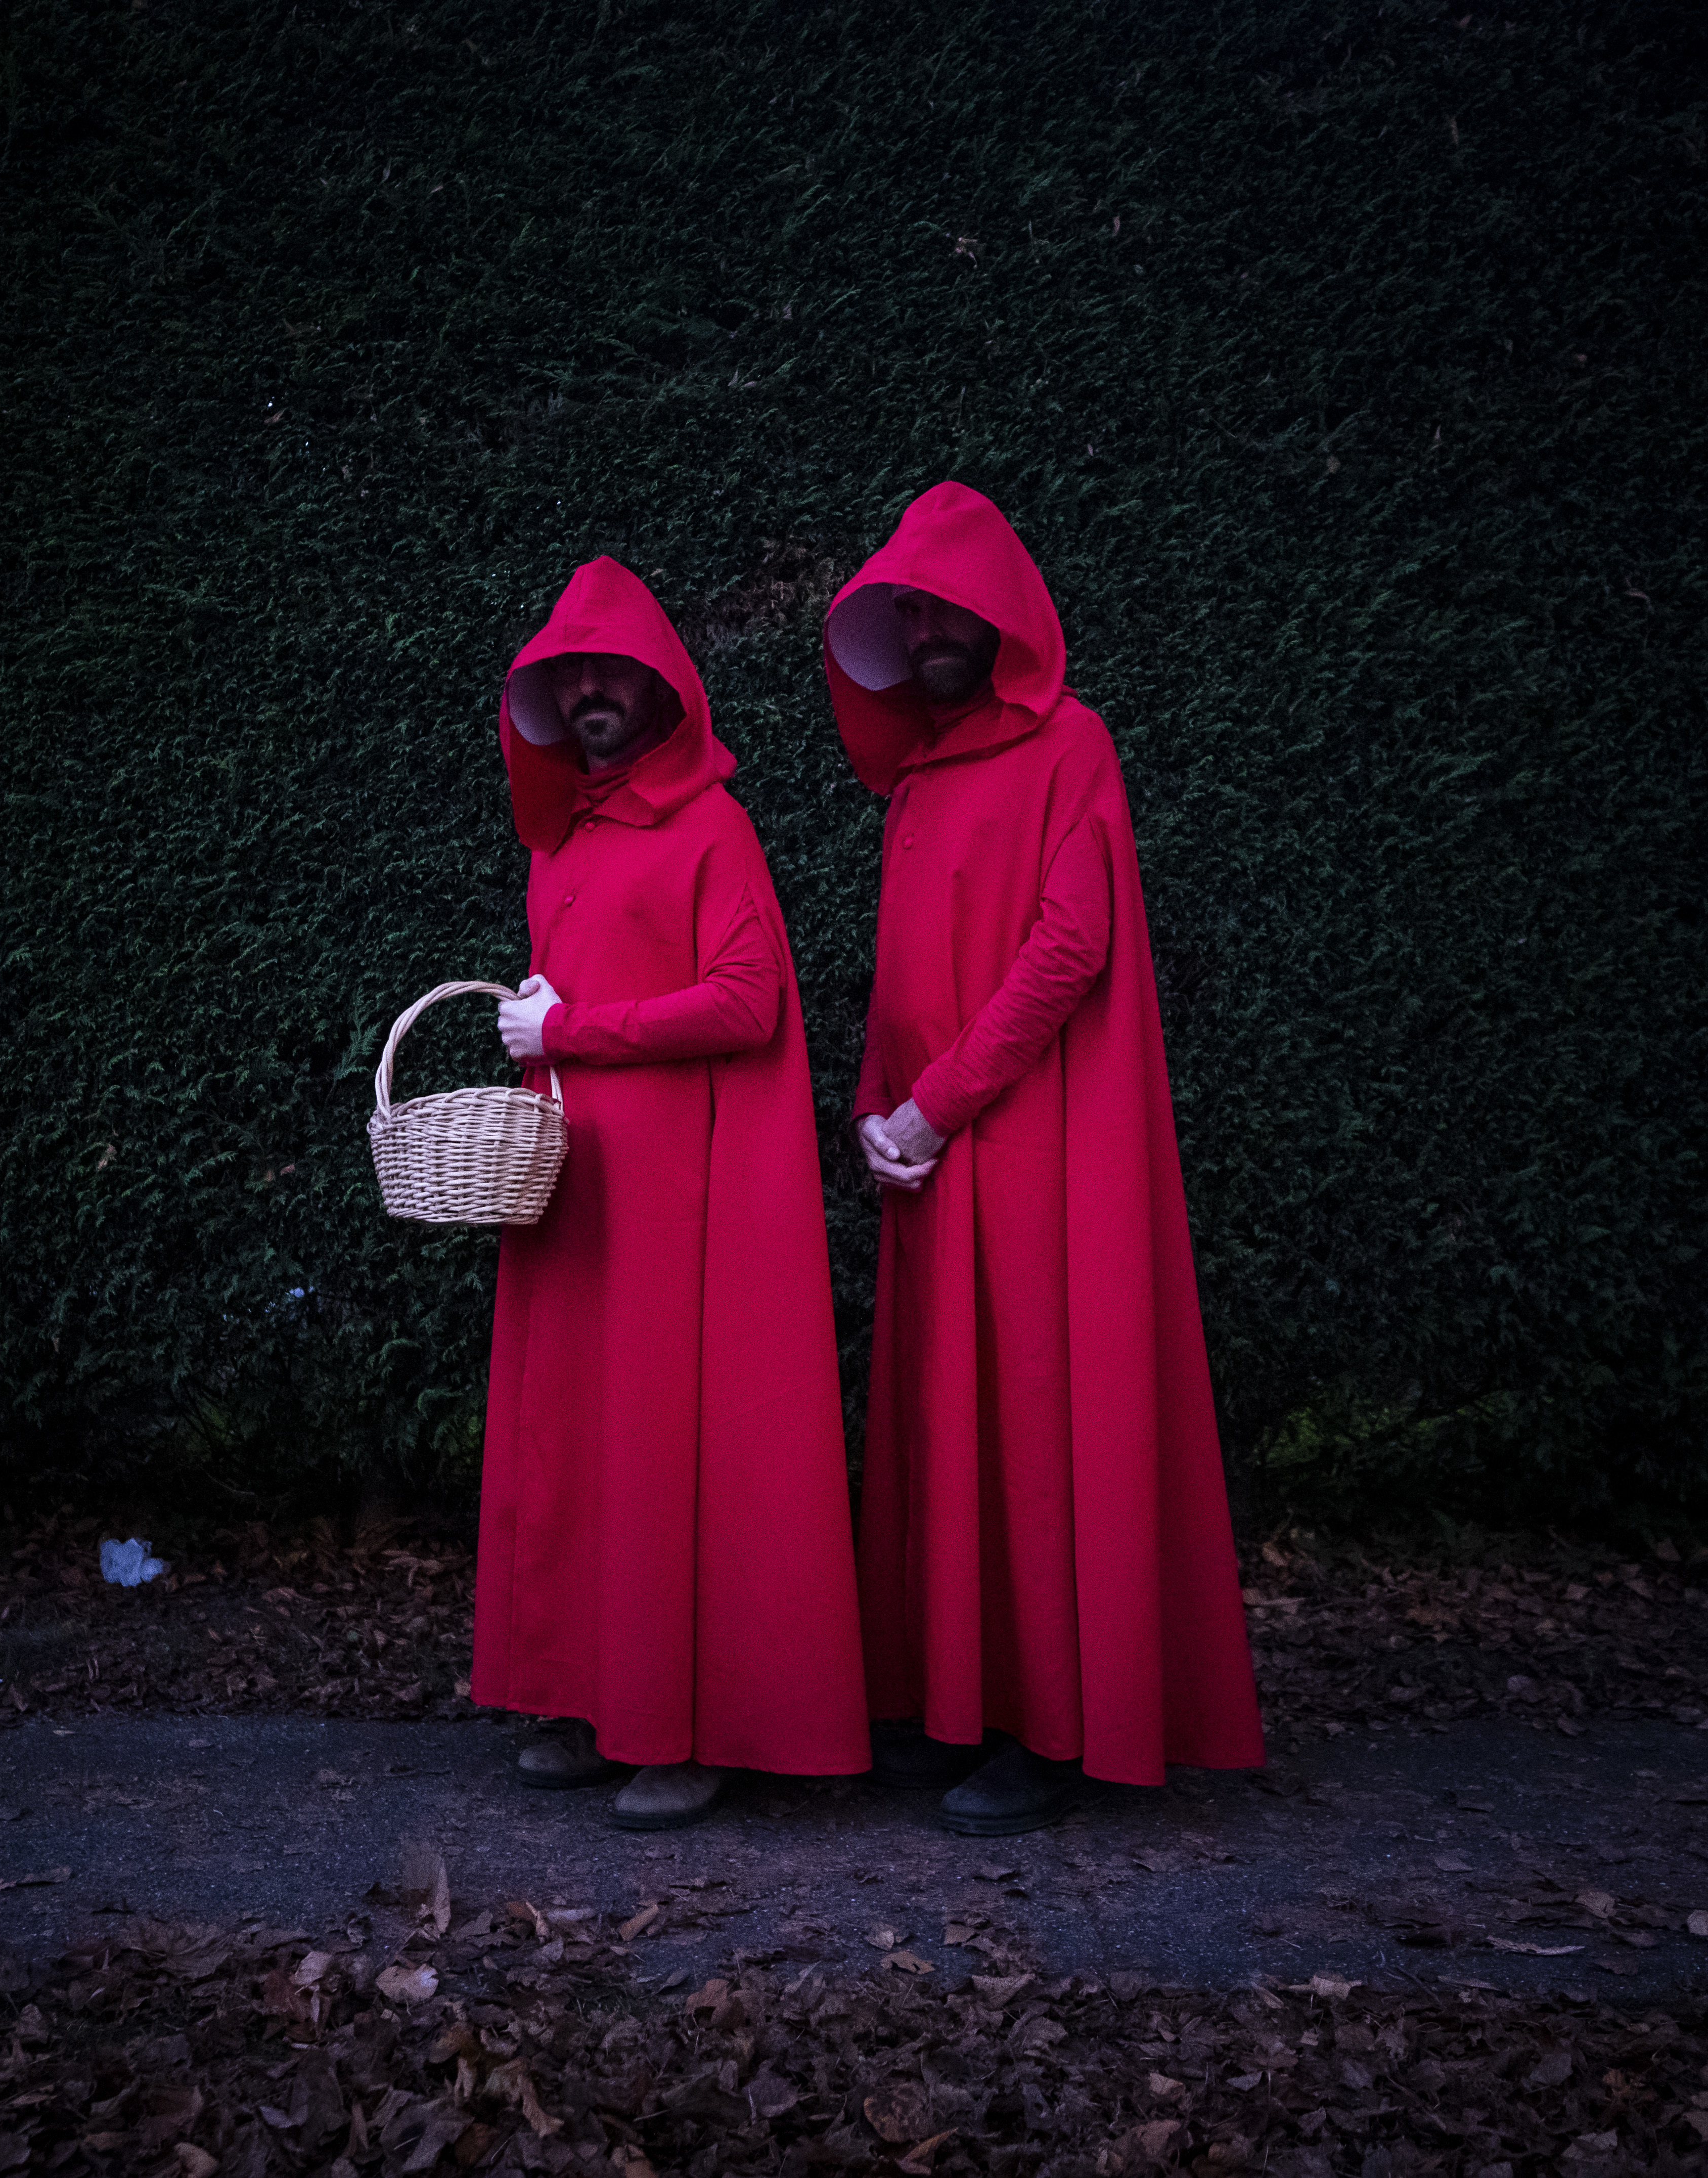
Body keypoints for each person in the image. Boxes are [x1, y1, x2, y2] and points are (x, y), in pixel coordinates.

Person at [824, 482, 1265, 1835]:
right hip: (929, 1149)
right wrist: (872, 1108)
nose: (929, 631)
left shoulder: (1071, 745)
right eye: (909, 611)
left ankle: (1056, 1726)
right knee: (943, 1428)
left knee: (1030, 1419)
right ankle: (954, 1702)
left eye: (949, 608)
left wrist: (936, 1103)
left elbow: (1066, 951)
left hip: (1026, 1154)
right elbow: (902, 970)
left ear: (999, 614)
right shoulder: (919, 772)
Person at [471, 555, 870, 1829]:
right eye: (568, 675)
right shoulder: (564, 841)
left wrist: (571, 1032)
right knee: (587, 1445)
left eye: (612, 673)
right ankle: (600, 1700)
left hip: (680, 1207)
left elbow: (746, 1003)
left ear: (659, 690)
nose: (590, 692)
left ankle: (688, 1726)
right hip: (578, 1191)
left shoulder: (712, 826)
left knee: (672, 1449)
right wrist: (542, 1042)